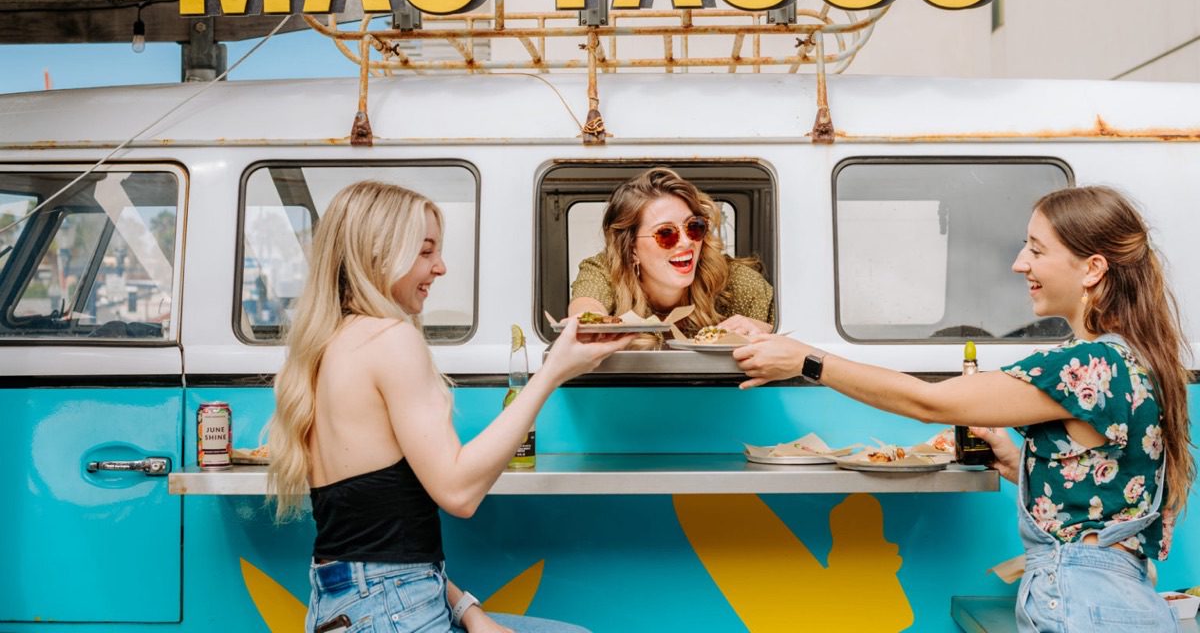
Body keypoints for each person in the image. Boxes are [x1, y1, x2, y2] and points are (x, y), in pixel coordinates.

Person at [733, 186, 1192, 632]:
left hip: (1081, 596)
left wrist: (808, 361)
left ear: (1092, 268)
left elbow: (928, 401)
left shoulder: (1086, 364)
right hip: (1122, 595)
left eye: (1036, 250)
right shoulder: (1135, 357)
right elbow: (1109, 486)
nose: (1019, 264)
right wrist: (1017, 463)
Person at [267, 181, 632, 633]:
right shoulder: (389, 339)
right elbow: (459, 493)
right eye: (424, 251)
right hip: (391, 611)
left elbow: (379, 542)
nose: (439, 267)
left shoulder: (327, 345)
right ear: (378, 255)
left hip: (350, 605)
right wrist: (552, 373)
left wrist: (469, 613)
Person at [568, 167, 774, 339]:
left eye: (694, 227)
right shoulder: (604, 270)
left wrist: (766, 330)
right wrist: (588, 322)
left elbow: (796, 335)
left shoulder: (737, 281)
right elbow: (588, 304)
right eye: (666, 233)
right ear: (631, 249)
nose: (686, 242)